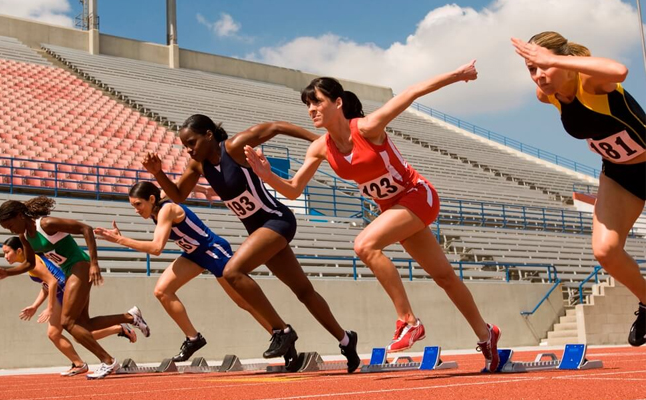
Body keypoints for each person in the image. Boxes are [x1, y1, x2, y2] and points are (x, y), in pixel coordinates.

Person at [243, 61, 502, 372]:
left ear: (337, 103)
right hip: (393, 210)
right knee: (444, 276)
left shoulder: (367, 128)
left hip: (417, 195)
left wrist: (457, 75)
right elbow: (295, 190)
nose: (311, 110)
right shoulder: (320, 149)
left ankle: (408, 321)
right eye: (307, 105)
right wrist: (266, 175)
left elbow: (412, 92)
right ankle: (486, 335)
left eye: (317, 102)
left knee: (364, 245)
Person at [143, 117, 361, 373]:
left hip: (277, 220)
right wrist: (158, 173)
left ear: (210, 135)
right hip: (260, 231)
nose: (189, 149)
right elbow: (178, 195)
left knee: (232, 271)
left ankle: (282, 331)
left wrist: (323, 142)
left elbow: (277, 127)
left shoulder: (234, 147)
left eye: (192, 142)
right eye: (185, 145)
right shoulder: (198, 166)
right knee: (304, 291)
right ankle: (346, 340)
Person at [512, 31, 646, 346]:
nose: (539, 75)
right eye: (532, 69)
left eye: (543, 66)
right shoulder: (547, 95)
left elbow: (620, 71)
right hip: (618, 176)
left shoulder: (591, 81)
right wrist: (547, 65)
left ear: (566, 62)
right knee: (605, 251)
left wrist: (552, 58)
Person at [94, 181, 272, 361]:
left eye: (138, 205)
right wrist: (204, 190)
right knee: (162, 291)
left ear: (152, 199)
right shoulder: (158, 199)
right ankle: (193, 338)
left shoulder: (166, 210)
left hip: (213, 250)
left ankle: (279, 333)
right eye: (133, 206)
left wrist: (120, 240)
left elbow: (156, 248)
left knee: (244, 302)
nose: (136, 210)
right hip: (194, 254)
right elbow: (179, 184)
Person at [0, 196, 150, 379]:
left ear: (20, 215)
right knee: (84, 324)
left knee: (67, 322)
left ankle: (108, 361)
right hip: (70, 271)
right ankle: (131, 317)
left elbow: (86, 229)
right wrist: (7, 272)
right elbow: (29, 264)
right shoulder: (25, 237)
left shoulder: (46, 224)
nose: (10, 230)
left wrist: (94, 263)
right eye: (7, 229)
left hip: (80, 265)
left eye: (10, 225)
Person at [0, 236, 137, 376]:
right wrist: (35, 306)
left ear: (19, 251)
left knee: (76, 332)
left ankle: (120, 328)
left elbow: (53, 283)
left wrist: (49, 308)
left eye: (7, 252)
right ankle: (81, 362)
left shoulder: (34, 263)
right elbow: (46, 285)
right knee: (62, 333)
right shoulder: (31, 263)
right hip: (61, 292)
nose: (5, 256)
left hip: (65, 291)